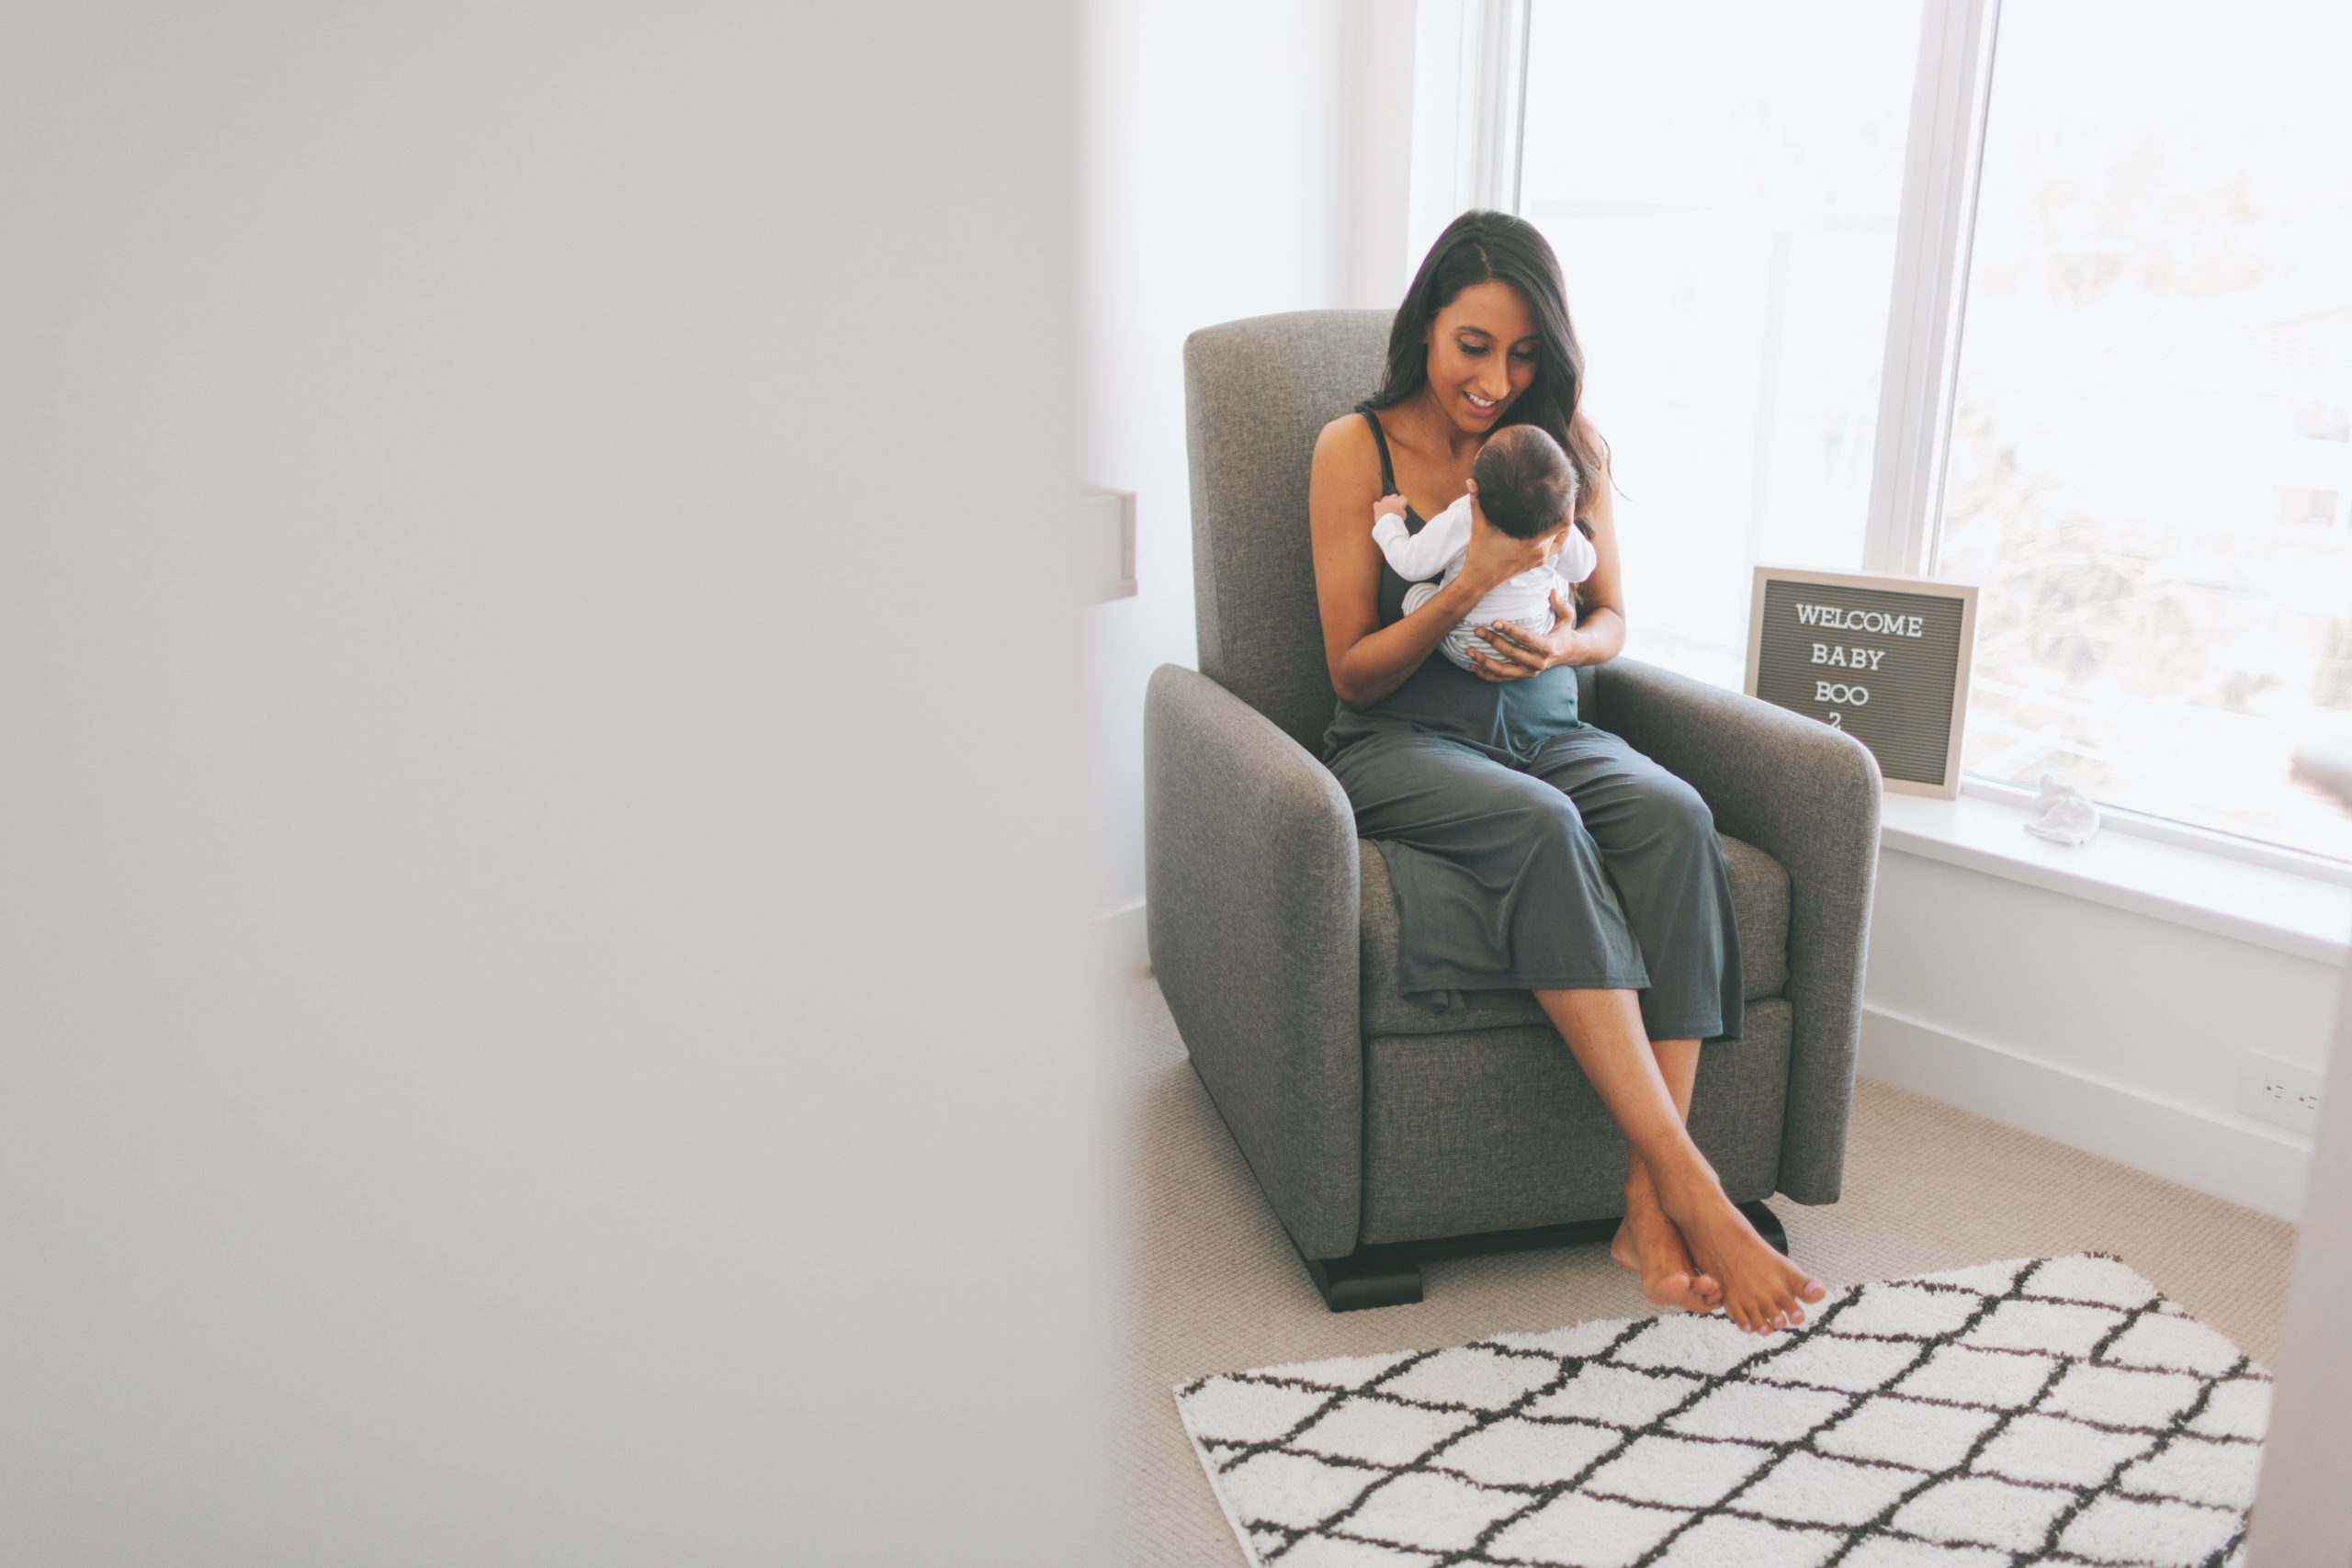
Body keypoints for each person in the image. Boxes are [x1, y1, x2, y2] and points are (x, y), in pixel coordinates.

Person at [1306, 209, 1826, 1335]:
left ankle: (1647, 1204)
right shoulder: (1357, 450)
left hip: (1549, 724)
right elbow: (1350, 674)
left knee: (1674, 815)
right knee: (1543, 827)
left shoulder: (1565, 448)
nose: (1498, 378)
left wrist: (1561, 644)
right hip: (1403, 742)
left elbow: (1612, 619)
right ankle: (1691, 1182)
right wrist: (1468, 579)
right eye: (1474, 346)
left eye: (1525, 352)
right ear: (1425, 330)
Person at [1373, 421, 1598, 674]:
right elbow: (1582, 570)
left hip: (1467, 642)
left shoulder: (1466, 512)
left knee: (1416, 594)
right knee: (1558, 580)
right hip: (1536, 636)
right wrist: (1567, 532)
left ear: (1474, 487)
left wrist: (1388, 521)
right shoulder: (1559, 524)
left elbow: (1410, 564)